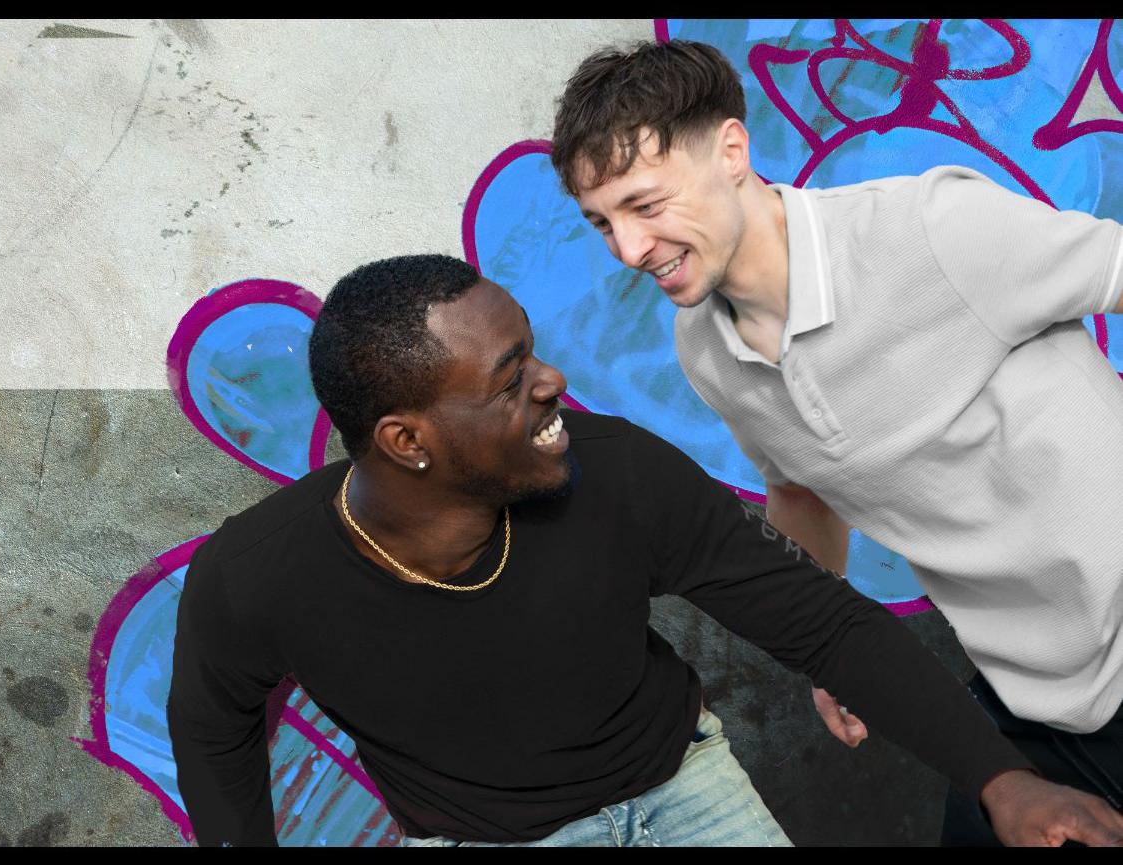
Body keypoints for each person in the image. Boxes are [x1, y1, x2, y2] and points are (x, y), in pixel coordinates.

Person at [165, 254, 1123, 847]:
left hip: (681, 786)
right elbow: (215, 730)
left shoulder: (612, 471)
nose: (553, 381)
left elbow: (822, 623)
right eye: (511, 381)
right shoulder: (258, 576)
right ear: (408, 440)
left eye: (531, 351)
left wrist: (1005, 778)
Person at [551, 39, 1123, 845]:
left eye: (646, 205)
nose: (629, 249)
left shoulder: (927, 229)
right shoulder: (704, 348)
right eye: (602, 222)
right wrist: (827, 653)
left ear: (731, 151)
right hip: (1030, 689)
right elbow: (800, 488)